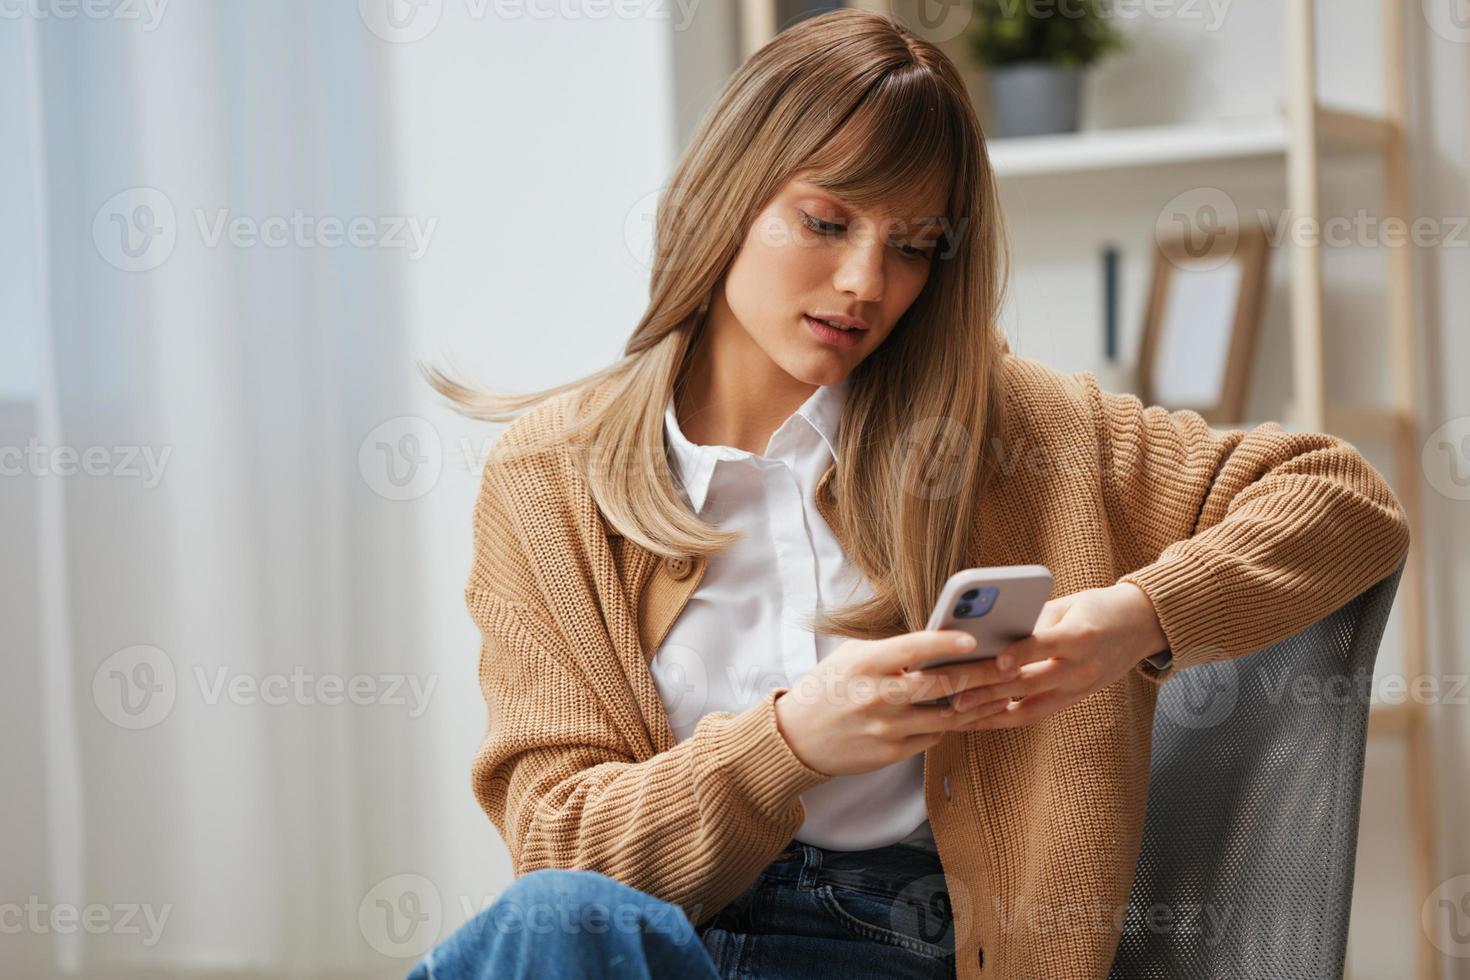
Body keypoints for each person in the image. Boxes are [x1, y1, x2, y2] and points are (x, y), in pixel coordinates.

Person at [412, 9, 1411, 979]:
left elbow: (1339, 498)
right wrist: (793, 738)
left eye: (913, 243)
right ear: (727, 196)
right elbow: (559, 844)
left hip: (886, 938)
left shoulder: (1015, 430)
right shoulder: (552, 477)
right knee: (553, 919)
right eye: (826, 219)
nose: (863, 282)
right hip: (646, 939)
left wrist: (1135, 618)